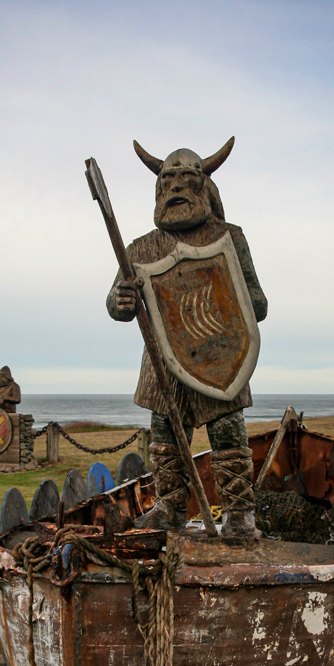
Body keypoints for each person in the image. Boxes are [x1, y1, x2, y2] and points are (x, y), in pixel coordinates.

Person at [106, 138, 267, 536]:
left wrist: (239, 303)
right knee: (164, 440)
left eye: (185, 178)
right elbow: (115, 302)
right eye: (167, 180)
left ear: (204, 187)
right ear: (158, 190)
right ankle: (169, 508)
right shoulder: (142, 248)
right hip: (162, 362)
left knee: (229, 437)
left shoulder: (228, 238)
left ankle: (238, 513)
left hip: (218, 358)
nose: (175, 187)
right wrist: (121, 299)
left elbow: (257, 305)